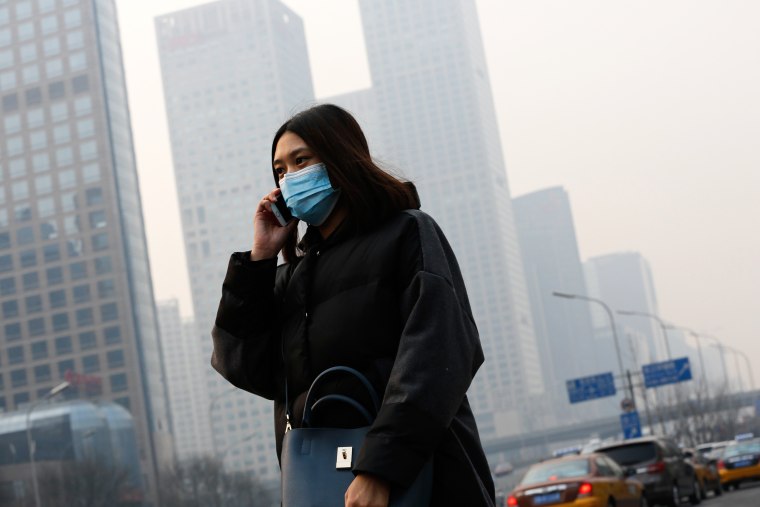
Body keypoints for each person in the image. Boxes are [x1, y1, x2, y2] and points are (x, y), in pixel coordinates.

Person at [211, 104, 495, 506]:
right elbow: (246, 367)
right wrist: (258, 261)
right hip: (322, 486)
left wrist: (379, 467)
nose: (290, 177)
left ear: (340, 157)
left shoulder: (407, 233)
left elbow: (438, 356)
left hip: (417, 479)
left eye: (301, 160)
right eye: (280, 170)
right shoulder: (290, 277)